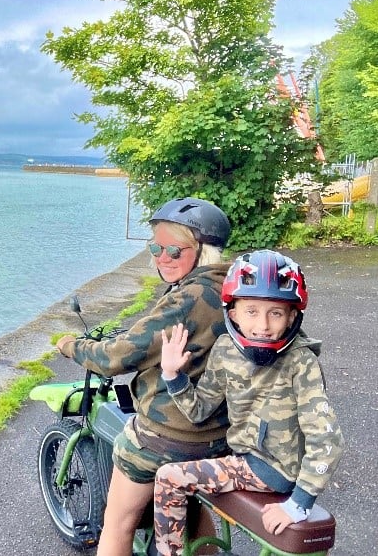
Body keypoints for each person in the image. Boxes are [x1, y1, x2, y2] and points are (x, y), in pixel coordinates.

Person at [56, 197, 232, 555]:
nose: (162, 257)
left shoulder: (189, 298)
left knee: (118, 522)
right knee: (194, 509)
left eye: (174, 249)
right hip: (221, 437)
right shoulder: (233, 287)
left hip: (170, 437)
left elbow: (118, 356)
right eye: (155, 247)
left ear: (202, 251)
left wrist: (71, 346)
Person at [154, 250, 343, 556]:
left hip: (271, 469)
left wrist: (298, 504)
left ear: (293, 316)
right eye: (252, 311)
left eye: (276, 313)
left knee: (169, 478)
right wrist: (173, 374)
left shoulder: (301, 361)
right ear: (233, 314)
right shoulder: (226, 348)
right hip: (246, 455)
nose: (264, 324)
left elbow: (327, 440)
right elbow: (200, 408)